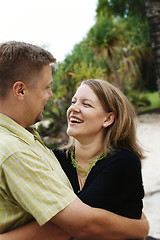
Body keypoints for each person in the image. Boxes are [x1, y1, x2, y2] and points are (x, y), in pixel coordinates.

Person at [0, 41, 149, 240]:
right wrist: (141, 228)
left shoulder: (121, 162)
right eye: (47, 87)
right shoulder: (24, 152)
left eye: (86, 104)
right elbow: (76, 224)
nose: (51, 95)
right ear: (20, 90)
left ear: (108, 118)